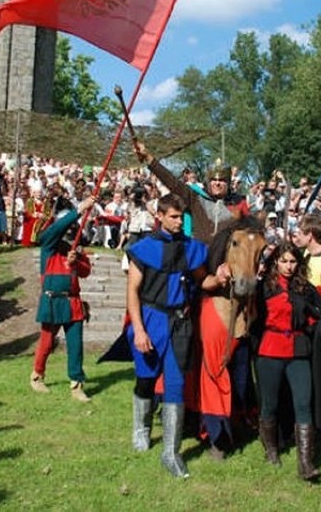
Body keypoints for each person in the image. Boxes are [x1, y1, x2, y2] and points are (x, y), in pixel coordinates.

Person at [125, 193, 229, 478]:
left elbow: (202, 280)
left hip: (180, 323)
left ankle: (171, 453)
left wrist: (218, 278)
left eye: (180, 217)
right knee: (146, 378)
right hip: (151, 318)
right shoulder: (143, 248)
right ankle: (141, 428)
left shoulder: (192, 248)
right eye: (172, 216)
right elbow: (132, 291)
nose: (178, 222)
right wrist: (140, 330)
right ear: (160, 216)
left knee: (175, 384)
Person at [252, 241, 321, 482]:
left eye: (293, 261)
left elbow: (317, 316)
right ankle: (271, 451)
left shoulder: (305, 288)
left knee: (303, 403)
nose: (288, 266)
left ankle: (306, 463)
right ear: (275, 262)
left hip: (298, 351)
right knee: (269, 404)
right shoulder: (263, 288)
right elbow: (254, 317)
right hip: (270, 349)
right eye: (284, 261)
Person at [29, 195, 96, 402]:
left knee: (75, 345)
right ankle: (37, 376)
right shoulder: (48, 245)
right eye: (64, 224)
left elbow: (86, 271)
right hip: (52, 300)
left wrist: (76, 262)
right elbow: (53, 231)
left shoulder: (74, 248)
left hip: (73, 301)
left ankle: (76, 384)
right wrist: (80, 208)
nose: (67, 230)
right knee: (47, 342)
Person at [133, 142, 248, 245]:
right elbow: (173, 183)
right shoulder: (196, 198)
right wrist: (148, 158)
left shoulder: (239, 204)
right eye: (214, 180)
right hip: (198, 260)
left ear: (228, 183)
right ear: (208, 182)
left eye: (222, 180)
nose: (217, 183)